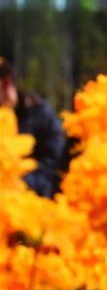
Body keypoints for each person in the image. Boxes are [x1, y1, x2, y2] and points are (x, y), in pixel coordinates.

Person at [0, 57, 65, 197]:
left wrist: (21, 183)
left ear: (7, 83)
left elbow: (53, 164)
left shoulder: (41, 114)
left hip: (36, 200)